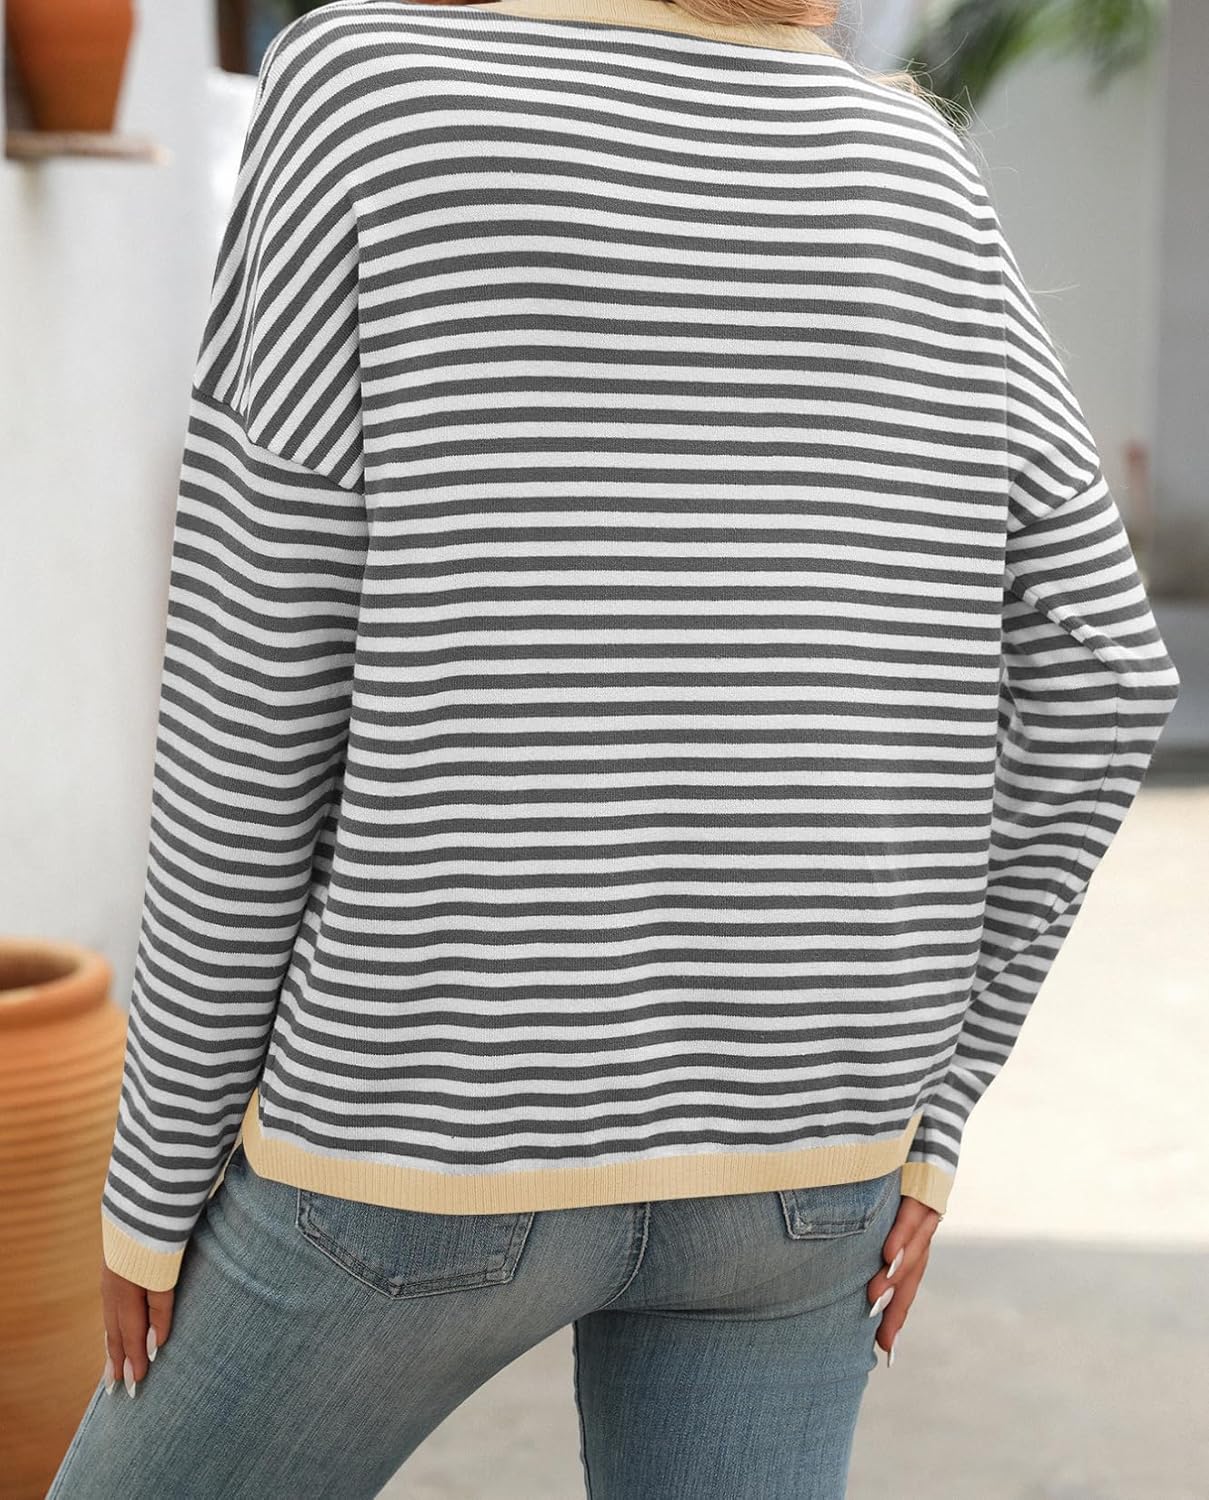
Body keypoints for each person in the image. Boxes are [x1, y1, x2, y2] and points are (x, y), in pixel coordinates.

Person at [47, 0, 1179, 1495]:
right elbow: (1106, 670)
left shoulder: (365, 90)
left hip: (421, 1131)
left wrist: (156, 1173)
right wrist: (935, 1104)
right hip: (809, 1171)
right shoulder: (917, 164)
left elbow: (251, 698)